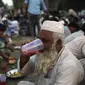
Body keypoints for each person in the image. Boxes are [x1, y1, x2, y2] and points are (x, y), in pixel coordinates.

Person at [18, 21, 84, 85]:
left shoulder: (69, 67)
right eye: (38, 39)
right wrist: (25, 56)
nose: (39, 44)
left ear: (58, 43)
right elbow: (24, 72)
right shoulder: (46, 53)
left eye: (44, 40)